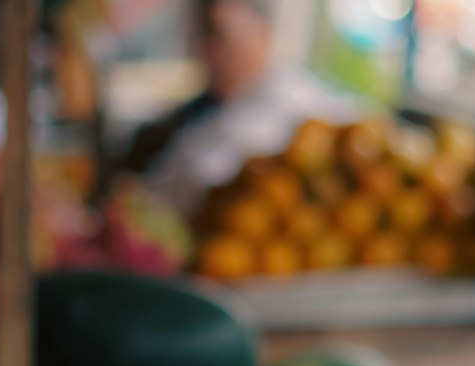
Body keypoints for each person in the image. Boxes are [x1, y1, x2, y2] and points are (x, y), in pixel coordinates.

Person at [120, 0, 354, 214]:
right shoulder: (202, 113)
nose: (207, 54)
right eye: (201, 38)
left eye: (220, 35)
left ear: (263, 34)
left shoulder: (304, 109)